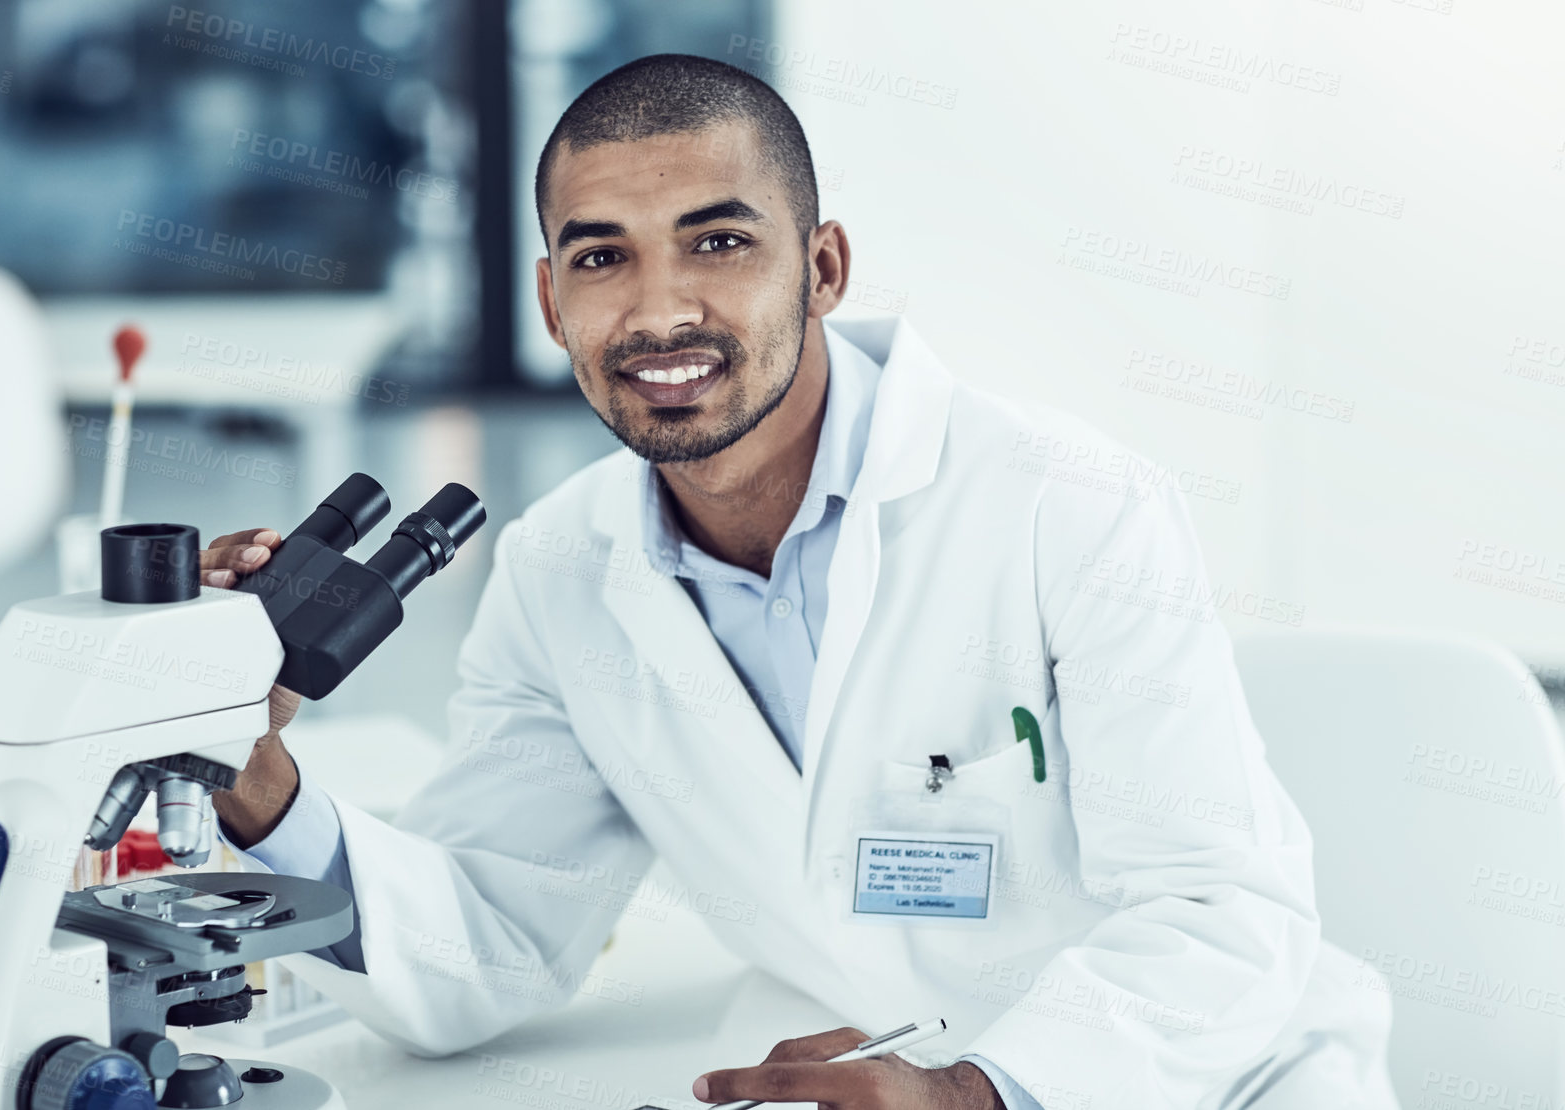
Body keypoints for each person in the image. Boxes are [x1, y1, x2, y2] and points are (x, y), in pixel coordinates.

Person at [202, 54, 1396, 1110]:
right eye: (603, 256)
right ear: (552, 301)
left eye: (720, 242)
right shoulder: (561, 567)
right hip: (875, 1071)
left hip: (1214, 1082)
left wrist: (983, 1092)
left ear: (823, 268)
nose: (661, 309)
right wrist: (257, 785)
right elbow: (487, 941)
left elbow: (1223, 921)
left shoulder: (1068, 506)